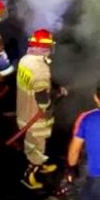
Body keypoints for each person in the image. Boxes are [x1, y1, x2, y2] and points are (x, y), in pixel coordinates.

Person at [15, 29, 67, 190]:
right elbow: (42, 98)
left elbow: (34, 86)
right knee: (37, 147)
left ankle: (40, 163)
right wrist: (54, 99)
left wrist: (56, 88)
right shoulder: (41, 68)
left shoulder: (25, 60)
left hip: (23, 110)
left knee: (32, 144)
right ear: (45, 48)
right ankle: (30, 176)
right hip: (35, 118)